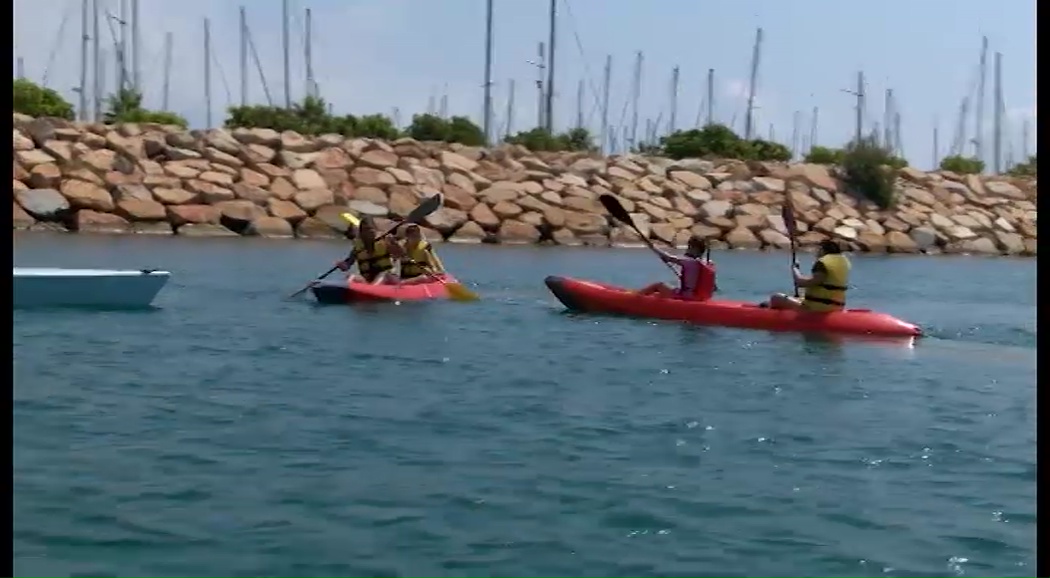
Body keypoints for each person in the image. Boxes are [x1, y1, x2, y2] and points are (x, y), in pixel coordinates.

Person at [765, 239, 851, 312]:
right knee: (798, 297)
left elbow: (801, 283)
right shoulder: (843, 262)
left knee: (775, 297)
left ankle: (767, 314)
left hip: (819, 308)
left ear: (822, 250)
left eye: (817, 250)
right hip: (837, 306)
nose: (816, 253)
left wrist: (795, 269)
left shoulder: (823, 263)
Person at [636, 235, 717, 301]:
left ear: (695, 249)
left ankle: (633, 298)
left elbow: (668, 257)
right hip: (697, 297)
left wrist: (651, 246)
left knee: (658, 285)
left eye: (689, 247)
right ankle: (640, 295)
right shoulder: (706, 262)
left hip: (686, 297)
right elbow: (712, 286)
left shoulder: (689, 261)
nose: (687, 249)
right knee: (669, 287)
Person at [335, 216, 404, 284]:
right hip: (367, 280)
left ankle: (373, 289)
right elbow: (347, 266)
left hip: (389, 278)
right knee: (351, 276)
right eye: (364, 230)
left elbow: (400, 254)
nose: (367, 233)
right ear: (361, 232)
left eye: (370, 230)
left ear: (375, 230)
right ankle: (348, 290)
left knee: (383, 275)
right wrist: (343, 265)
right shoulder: (358, 247)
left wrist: (394, 244)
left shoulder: (384, 241)